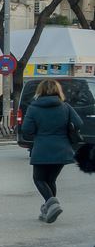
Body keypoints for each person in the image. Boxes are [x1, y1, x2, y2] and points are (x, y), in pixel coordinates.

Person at [21, 79, 83, 223]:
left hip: (42, 148)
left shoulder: (33, 108)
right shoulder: (65, 107)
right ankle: (48, 210)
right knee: (50, 180)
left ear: (39, 91)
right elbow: (78, 123)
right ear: (58, 91)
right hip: (62, 148)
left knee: (39, 179)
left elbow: (27, 130)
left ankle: (51, 204)